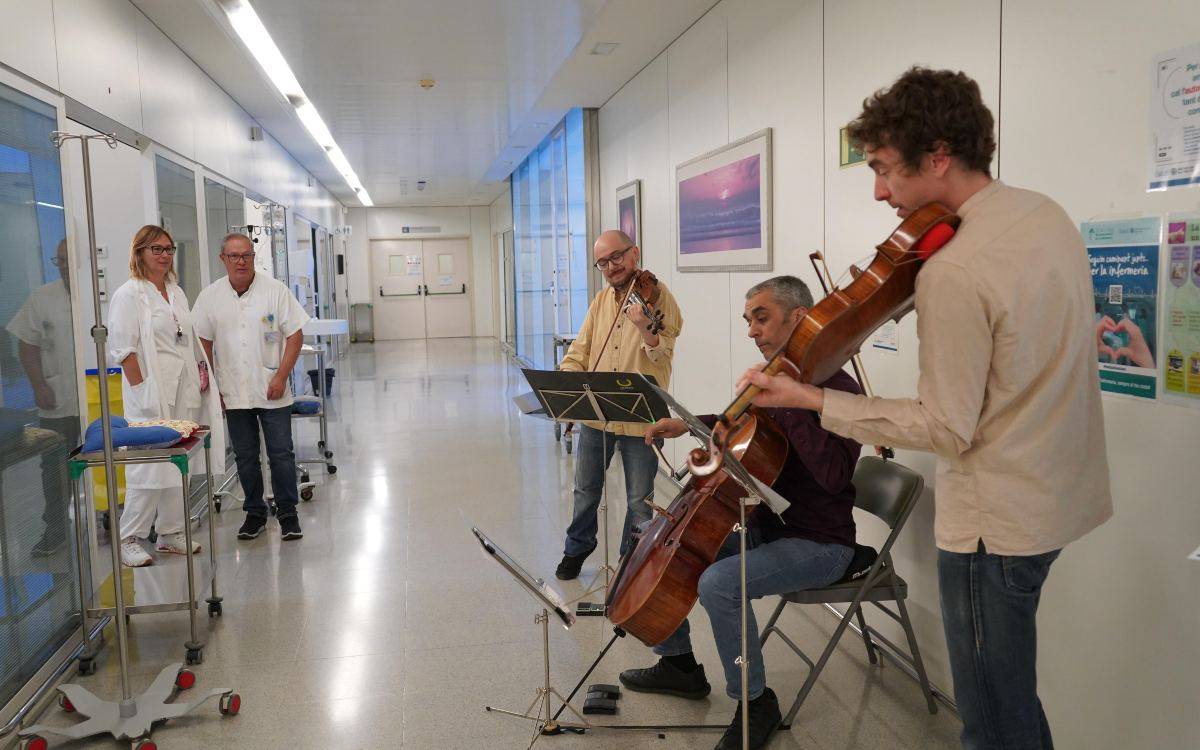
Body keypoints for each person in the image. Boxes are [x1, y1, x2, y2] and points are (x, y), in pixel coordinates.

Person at [738, 67, 1112, 749]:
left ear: (938, 156)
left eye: (884, 169)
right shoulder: (1043, 214)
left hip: (993, 524)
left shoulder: (954, 269)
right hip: (1058, 494)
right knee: (1012, 698)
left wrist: (812, 397)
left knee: (992, 722)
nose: (879, 191)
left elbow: (944, 425)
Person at [618, 276, 861, 750]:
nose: (751, 331)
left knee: (719, 583)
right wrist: (688, 424)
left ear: (799, 317)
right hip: (766, 526)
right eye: (748, 320)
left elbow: (835, 475)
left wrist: (792, 399)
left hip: (821, 542)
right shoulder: (771, 374)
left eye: (761, 318)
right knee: (648, 532)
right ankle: (679, 665)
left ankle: (755, 703)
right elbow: (737, 426)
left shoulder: (838, 388)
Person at [554, 230, 683, 581]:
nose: (611, 267)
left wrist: (644, 328)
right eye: (603, 262)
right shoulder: (600, 302)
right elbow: (581, 350)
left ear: (634, 253)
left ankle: (632, 558)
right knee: (585, 489)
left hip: (643, 418)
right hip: (598, 414)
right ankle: (577, 547)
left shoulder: (660, 298)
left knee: (640, 498)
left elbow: (662, 353)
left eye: (616, 257)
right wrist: (567, 381)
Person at [108, 225, 225, 567]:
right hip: (152, 393)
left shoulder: (176, 292)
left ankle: (170, 533)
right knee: (148, 467)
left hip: (183, 388)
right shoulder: (129, 294)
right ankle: (129, 537)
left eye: (169, 249)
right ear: (139, 253)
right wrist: (142, 391)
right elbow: (124, 351)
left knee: (178, 462)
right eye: (156, 249)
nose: (164, 255)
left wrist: (200, 375)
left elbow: (185, 338)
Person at [193, 233, 309, 542]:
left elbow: (295, 335)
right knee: (245, 456)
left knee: (281, 453)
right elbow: (202, 342)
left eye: (246, 255)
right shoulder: (210, 297)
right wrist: (212, 386)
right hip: (232, 390)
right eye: (234, 256)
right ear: (223, 259)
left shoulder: (275, 291)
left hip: (272, 387)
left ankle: (288, 513)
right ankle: (255, 513)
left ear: (254, 257)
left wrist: (281, 376)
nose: (241, 261)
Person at [7, 239, 81, 557]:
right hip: (57, 398)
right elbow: (27, 344)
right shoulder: (42, 298)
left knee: (109, 462)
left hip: (98, 398)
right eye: (58, 260)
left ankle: (117, 521)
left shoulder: (99, 294)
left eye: (68, 259)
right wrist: (38, 385)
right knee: (54, 468)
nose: (63, 265)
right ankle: (55, 530)